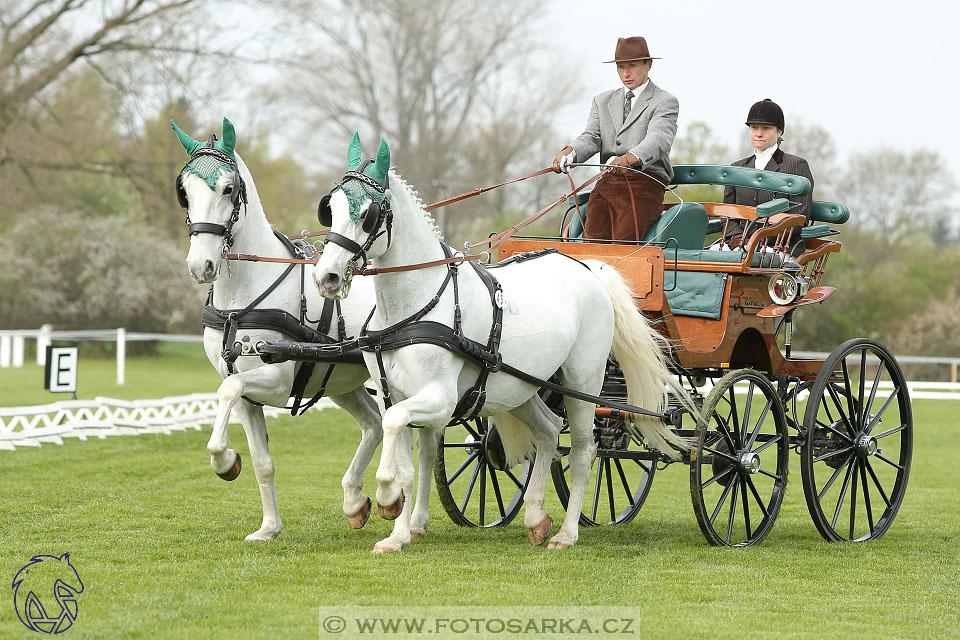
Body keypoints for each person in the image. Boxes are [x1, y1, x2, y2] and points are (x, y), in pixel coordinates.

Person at [552, 36, 679, 241]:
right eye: (620, 67)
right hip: (607, 184)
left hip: (645, 184)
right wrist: (571, 152)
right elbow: (592, 137)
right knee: (592, 240)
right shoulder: (602, 101)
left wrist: (630, 158)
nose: (626, 73)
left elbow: (658, 139)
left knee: (622, 243)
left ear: (649, 65)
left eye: (632, 66)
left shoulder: (665, 101)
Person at [722, 99, 814, 252]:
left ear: (779, 132)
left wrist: (758, 240)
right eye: (754, 127)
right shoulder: (736, 168)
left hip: (779, 247)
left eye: (766, 128)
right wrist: (738, 238)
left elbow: (799, 218)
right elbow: (727, 215)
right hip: (739, 245)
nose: (758, 134)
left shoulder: (797, 165)